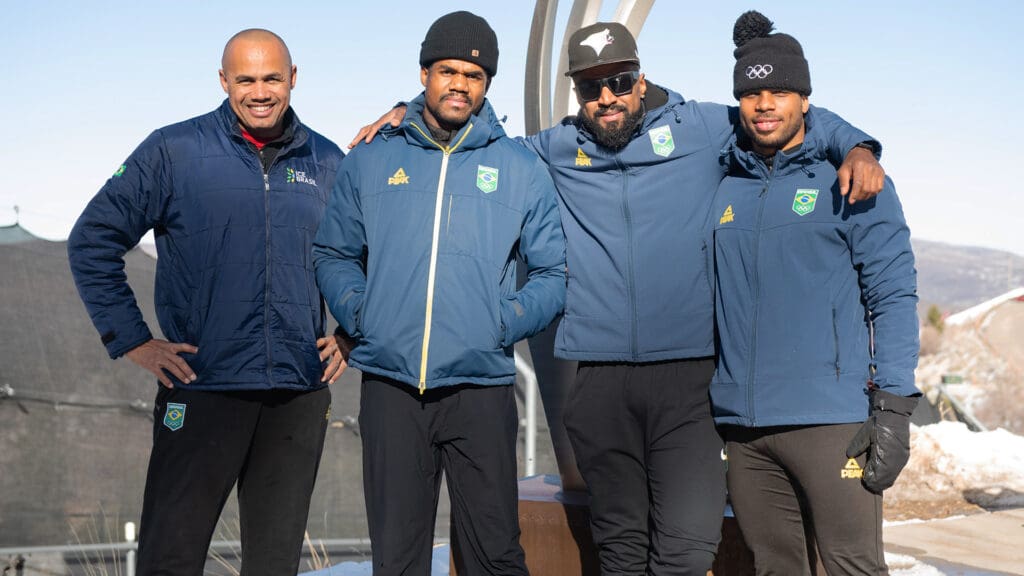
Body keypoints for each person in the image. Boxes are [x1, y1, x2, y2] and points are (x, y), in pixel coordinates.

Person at [353, 19, 884, 576]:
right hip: (601, 380)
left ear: (641, 78)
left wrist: (856, 144)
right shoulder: (555, 149)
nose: (606, 98)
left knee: (685, 549)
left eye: (620, 81)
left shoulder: (703, 127)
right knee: (620, 551)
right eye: (589, 87)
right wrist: (407, 112)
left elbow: (780, 115)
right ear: (577, 91)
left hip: (689, 378)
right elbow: (471, 141)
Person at [67, 29, 345, 576]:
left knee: (274, 563)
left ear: (294, 78)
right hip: (201, 388)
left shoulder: (330, 160)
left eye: (271, 78)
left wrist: (351, 334)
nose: (259, 91)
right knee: (170, 558)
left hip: (296, 393)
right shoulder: (173, 151)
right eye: (245, 79)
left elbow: (369, 258)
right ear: (224, 81)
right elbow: (92, 239)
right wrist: (135, 341)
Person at [312, 11, 566, 576]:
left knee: (494, 554)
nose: (459, 84)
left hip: (480, 387)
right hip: (392, 387)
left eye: (473, 76)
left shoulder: (520, 168)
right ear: (424, 73)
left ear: (487, 85)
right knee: (398, 558)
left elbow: (553, 275)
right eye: (447, 70)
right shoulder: (374, 158)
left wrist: (498, 324)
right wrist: (363, 315)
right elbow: (333, 254)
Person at [710, 11, 920, 575]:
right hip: (746, 432)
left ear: (806, 100)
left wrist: (894, 409)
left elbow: (894, 296)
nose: (765, 104)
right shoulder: (723, 181)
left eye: (780, 90)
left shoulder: (854, 178)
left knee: (852, 566)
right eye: (752, 93)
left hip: (832, 424)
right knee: (776, 569)